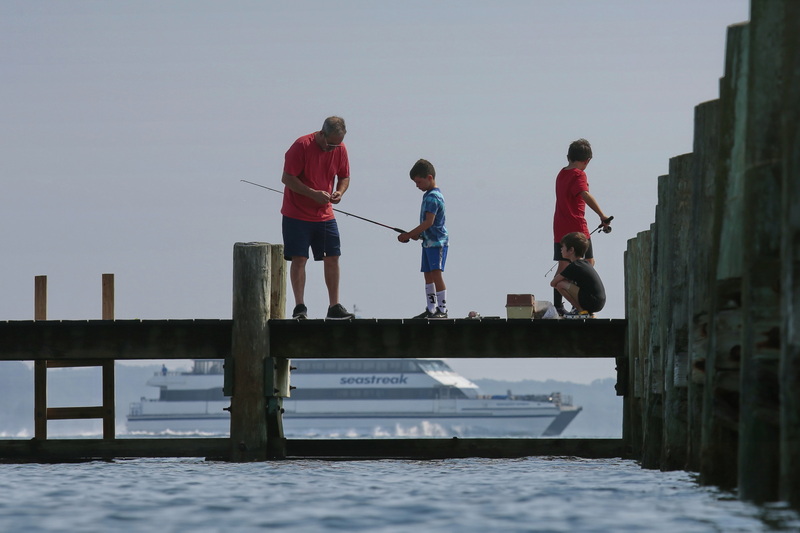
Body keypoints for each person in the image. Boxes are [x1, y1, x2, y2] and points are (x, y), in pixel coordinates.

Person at [281, 116, 355, 320]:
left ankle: (334, 307)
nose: (332, 148)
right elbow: (287, 178)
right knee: (299, 259)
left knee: (332, 256)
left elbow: (344, 176)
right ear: (321, 134)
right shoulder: (301, 145)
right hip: (296, 213)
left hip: (325, 214)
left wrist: (340, 192)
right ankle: (300, 308)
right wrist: (313, 193)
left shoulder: (340, 149)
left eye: (337, 144)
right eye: (330, 143)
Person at [551, 138, 611, 315]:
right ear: (587, 160)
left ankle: (559, 306)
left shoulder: (561, 173)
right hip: (576, 227)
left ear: (568, 156)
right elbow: (585, 194)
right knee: (588, 262)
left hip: (559, 226)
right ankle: (578, 303)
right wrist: (602, 215)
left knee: (563, 266)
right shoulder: (579, 174)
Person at [398, 159, 449, 319]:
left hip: (437, 243)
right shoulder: (428, 196)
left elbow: (429, 222)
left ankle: (442, 310)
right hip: (427, 242)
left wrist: (408, 234)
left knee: (436, 273)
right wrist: (418, 235)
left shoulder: (433, 197)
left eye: (419, 182)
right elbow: (426, 226)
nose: (417, 186)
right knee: (427, 274)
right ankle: (431, 308)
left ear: (429, 177)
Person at [550, 232, 606, 317]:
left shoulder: (574, 265)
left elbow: (553, 283)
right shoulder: (584, 263)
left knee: (560, 284)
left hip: (592, 301)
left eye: (563, 247)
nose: (561, 249)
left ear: (571, 250)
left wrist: (564, 279)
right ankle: (587, 312)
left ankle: (580, 311)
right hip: (598, 302)